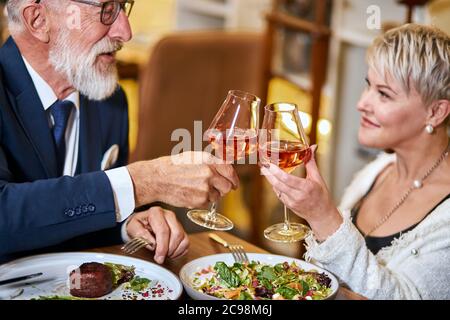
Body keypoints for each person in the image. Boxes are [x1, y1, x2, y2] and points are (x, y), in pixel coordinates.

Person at [0, 0, 238, 264]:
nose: (125, 32)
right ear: (38, 20)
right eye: (107, 10)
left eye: (124, 7)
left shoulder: (110, 101)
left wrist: (128, 224)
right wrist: (145, 181)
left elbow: (72, 214)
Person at [262, 24, 450, 299]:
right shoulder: (374, 173)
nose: (362, 103)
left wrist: (323, 216)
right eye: (368, 86)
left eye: (384, 94)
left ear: (435, 112)